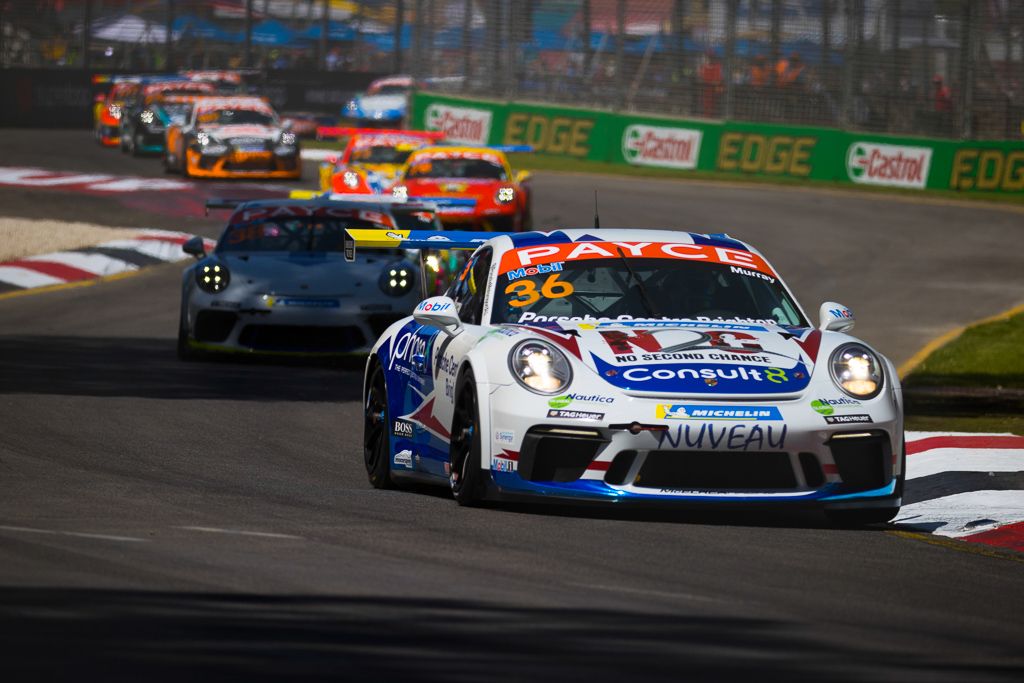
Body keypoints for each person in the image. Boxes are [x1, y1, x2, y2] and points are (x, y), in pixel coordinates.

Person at [698, 48, 723, 117]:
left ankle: (712, 116)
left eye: (712, 57)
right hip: (706, 90)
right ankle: (706, 116)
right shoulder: (704, 67)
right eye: (709, 57)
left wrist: (715, 83)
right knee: (706, 105)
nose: (710, 58)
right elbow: (701, 78)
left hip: (715, 91)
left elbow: (719, 80)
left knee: (713, 106)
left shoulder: (718, 67)